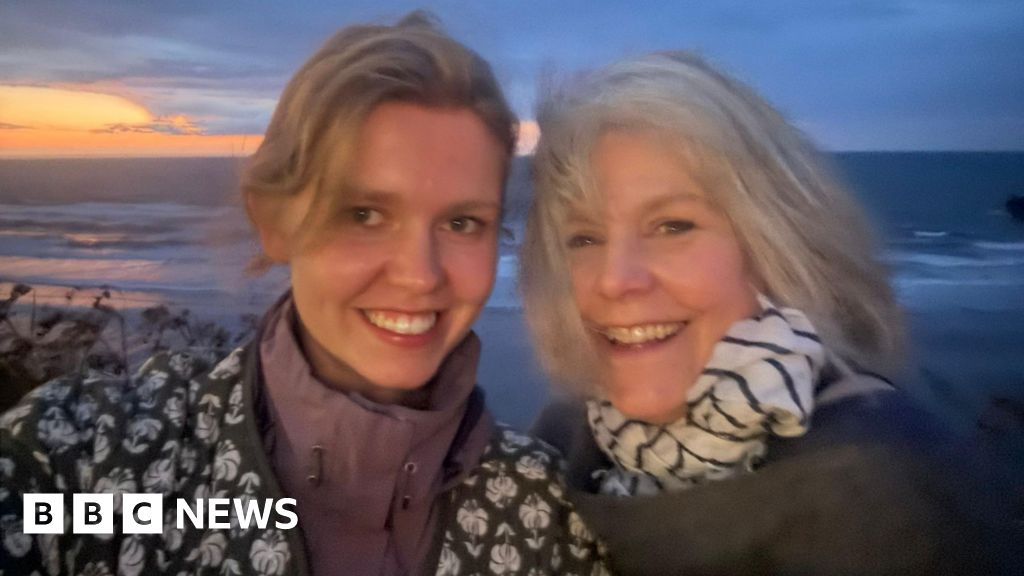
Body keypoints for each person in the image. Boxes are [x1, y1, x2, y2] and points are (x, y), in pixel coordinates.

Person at [0, 13, 607, 576]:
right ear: (275, 223)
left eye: (461, 222)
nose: (421, 275)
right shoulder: (95, 461)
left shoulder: (548, 514)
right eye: (365, 214)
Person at [521, 51, 1021, 574]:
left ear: (777, 246)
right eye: (584, 238)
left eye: (672, 226)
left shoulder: (883, 496)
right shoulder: (561, 443)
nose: (614, 280)